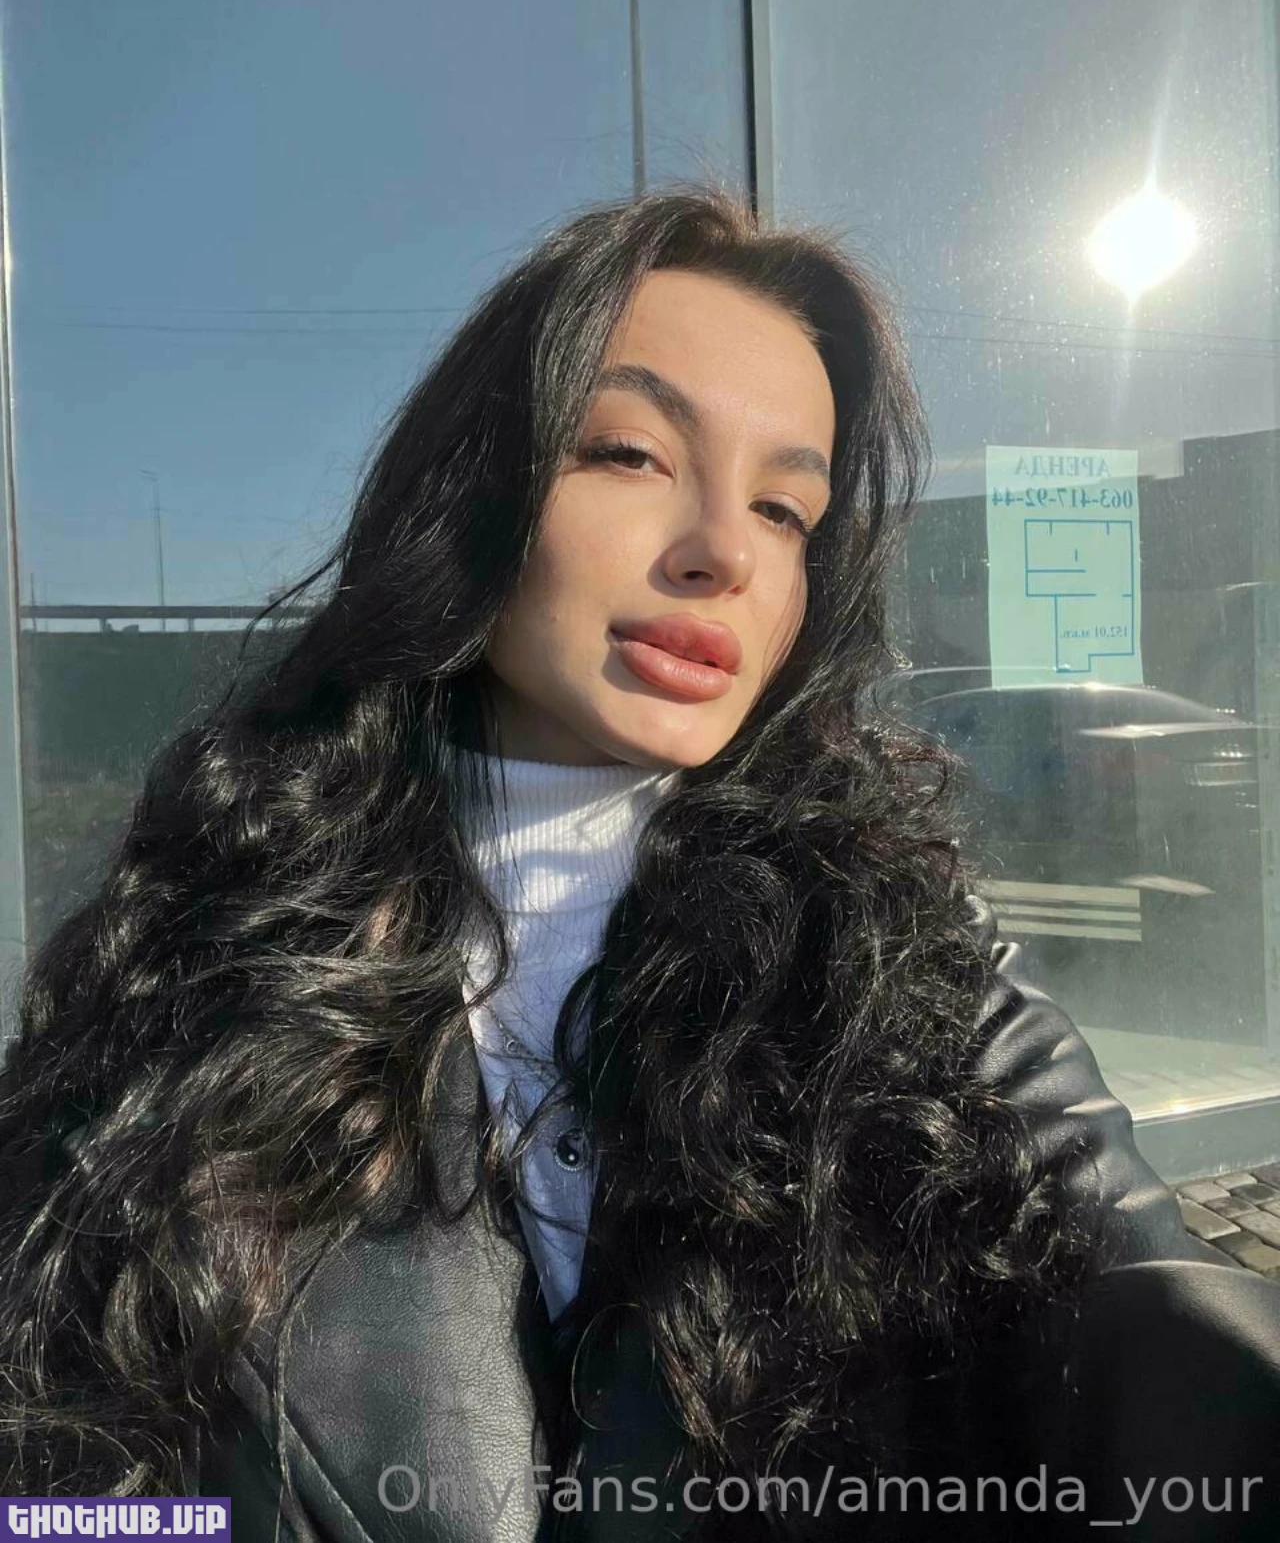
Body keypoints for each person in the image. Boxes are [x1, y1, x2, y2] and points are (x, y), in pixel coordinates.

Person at [0, 185, 1274, 1540]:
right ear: (473, 485)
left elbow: (1140, 1298)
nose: (725, 552)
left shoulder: (899, 953)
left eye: (785, 509)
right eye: (630, 452)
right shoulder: (213, 939)